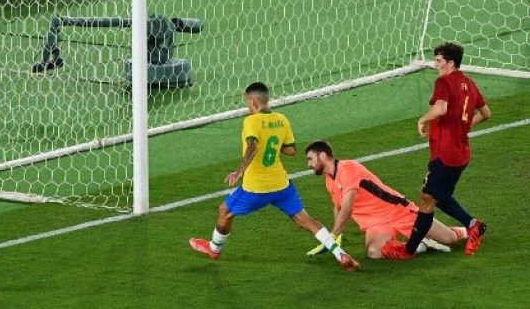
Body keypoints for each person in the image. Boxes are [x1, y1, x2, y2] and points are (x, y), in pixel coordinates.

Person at [189, 82, 361, 271]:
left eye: (247, 102)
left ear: (253, 101)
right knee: (306, 220)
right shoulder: (282, 119)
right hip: (281, 186)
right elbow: (291, 150)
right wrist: (273, 141)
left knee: (225, 211)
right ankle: (340, 254)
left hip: (256, 188)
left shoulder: (251, 121)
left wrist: (239, 170)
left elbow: (253, 145)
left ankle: (214, 249)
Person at [381, 42, 491, 260]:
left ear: (451, 63)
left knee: (434, 195)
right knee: (429, 198)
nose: (435, 64)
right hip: (461, 152)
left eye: (439, 60)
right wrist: (466, 125)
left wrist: (422, 119)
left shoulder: (444, 82)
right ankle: (409, 249)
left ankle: (472, 224)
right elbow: (486, 113)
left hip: (445, 153)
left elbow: (440, 108)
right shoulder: (469, 83)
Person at [304, 140, 467, 259]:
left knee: (449, 239)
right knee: (374, 252)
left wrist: (332, 236)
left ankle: (467, 230)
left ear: (323, 155)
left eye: (310, 159)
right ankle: (423, 244)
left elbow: (347, 209)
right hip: (376, 224)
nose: (309, 164)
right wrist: (337, 236)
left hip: (398, 212)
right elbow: (338, 206)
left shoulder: (348, 168)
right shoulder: (329, 179)